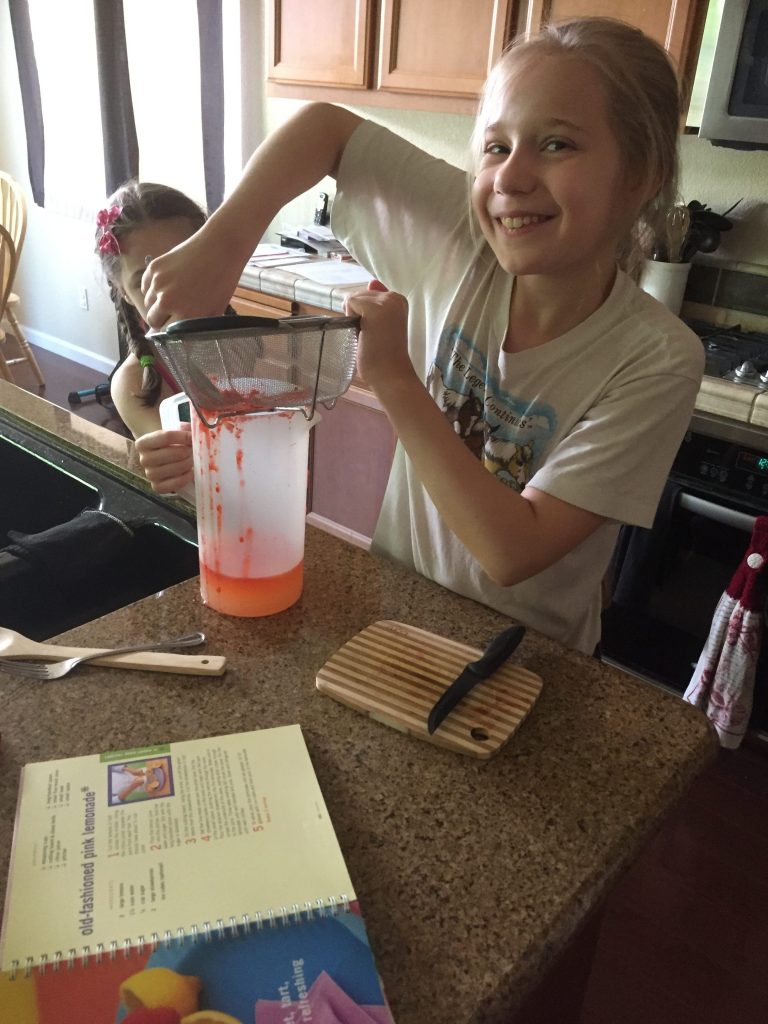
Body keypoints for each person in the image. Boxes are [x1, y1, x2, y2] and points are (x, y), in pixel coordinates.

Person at [138, 17, 705, 656]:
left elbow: (512, 550)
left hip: (524, 659)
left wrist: (394, 378)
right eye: (496, 147)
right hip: (397, 615)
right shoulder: (464, 238)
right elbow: (325, 128)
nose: (510, 178)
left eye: (557, 144)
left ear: (641, 173)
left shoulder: (656, 359)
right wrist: (220, 245)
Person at [94, 180, 203, 493]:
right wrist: (167, 463)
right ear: (123, 292)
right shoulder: (134, 384)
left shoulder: (253, 346)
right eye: (146, 281)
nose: (171, 293)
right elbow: (193, 481)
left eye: (186, 267)